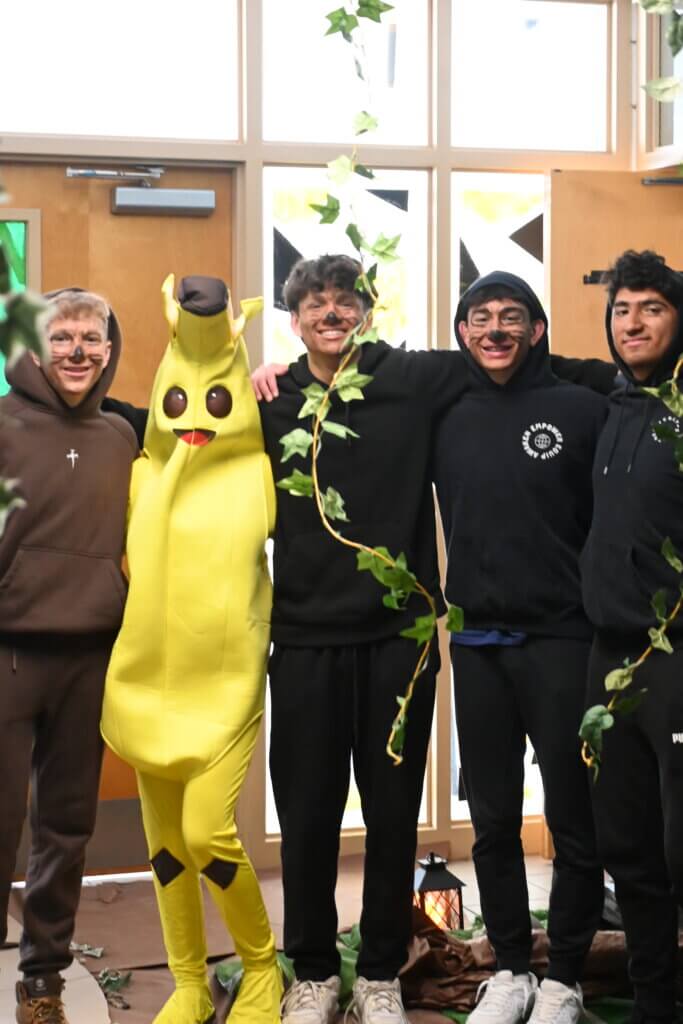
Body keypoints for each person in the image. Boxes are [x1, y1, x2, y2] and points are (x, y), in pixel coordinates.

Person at [259, 253, 476, 1024]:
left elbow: (504, 354)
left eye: (345, 300)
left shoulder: (409, 379)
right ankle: (313, 972)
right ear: (294, 321)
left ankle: (380, 971)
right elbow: (175, 416)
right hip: (304, 637)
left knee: (391, 815)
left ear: (367, 312)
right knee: (307, 815)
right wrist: (246, 374)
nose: (331, 312)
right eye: (315, 303)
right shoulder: (273, 397)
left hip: (399, 638)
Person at [102, 275, 282, 1024]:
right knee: (166, 845)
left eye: (215, 400)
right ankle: (188, 981)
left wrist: (284, 379)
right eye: (178, 401)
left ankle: (261, 968)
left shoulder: (260, 472)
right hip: (150, 681)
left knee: (208, 835)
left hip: (225, 683)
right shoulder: (141, 471)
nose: (196, 419)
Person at [432, 271, 606, 1024]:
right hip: (476, 644)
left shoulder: (583, 409)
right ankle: (510, 968)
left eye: (511, 317)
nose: (494, 329)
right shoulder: (443, 412)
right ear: (462, 332)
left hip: (564, 640)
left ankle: (563, 976)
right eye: (479, 317)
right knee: (493, 818)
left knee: (573, 818)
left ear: (537, 330)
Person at [0, 289, 137, 1024]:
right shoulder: (3, 424)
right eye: (63, 337)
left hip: (90, 656)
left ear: (109, 351)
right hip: (8, 651)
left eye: (92, 338)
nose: (78, 351)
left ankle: (42, 981)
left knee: (66, 826)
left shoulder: (121, 436)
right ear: (36, 345)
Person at [581, 250, 683, 1024]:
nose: (633, 323)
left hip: (676, 657)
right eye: (621, 310)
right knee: (628, 845)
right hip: (609, 658)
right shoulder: (609, 403)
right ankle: (653, 1000)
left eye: (651, 308)